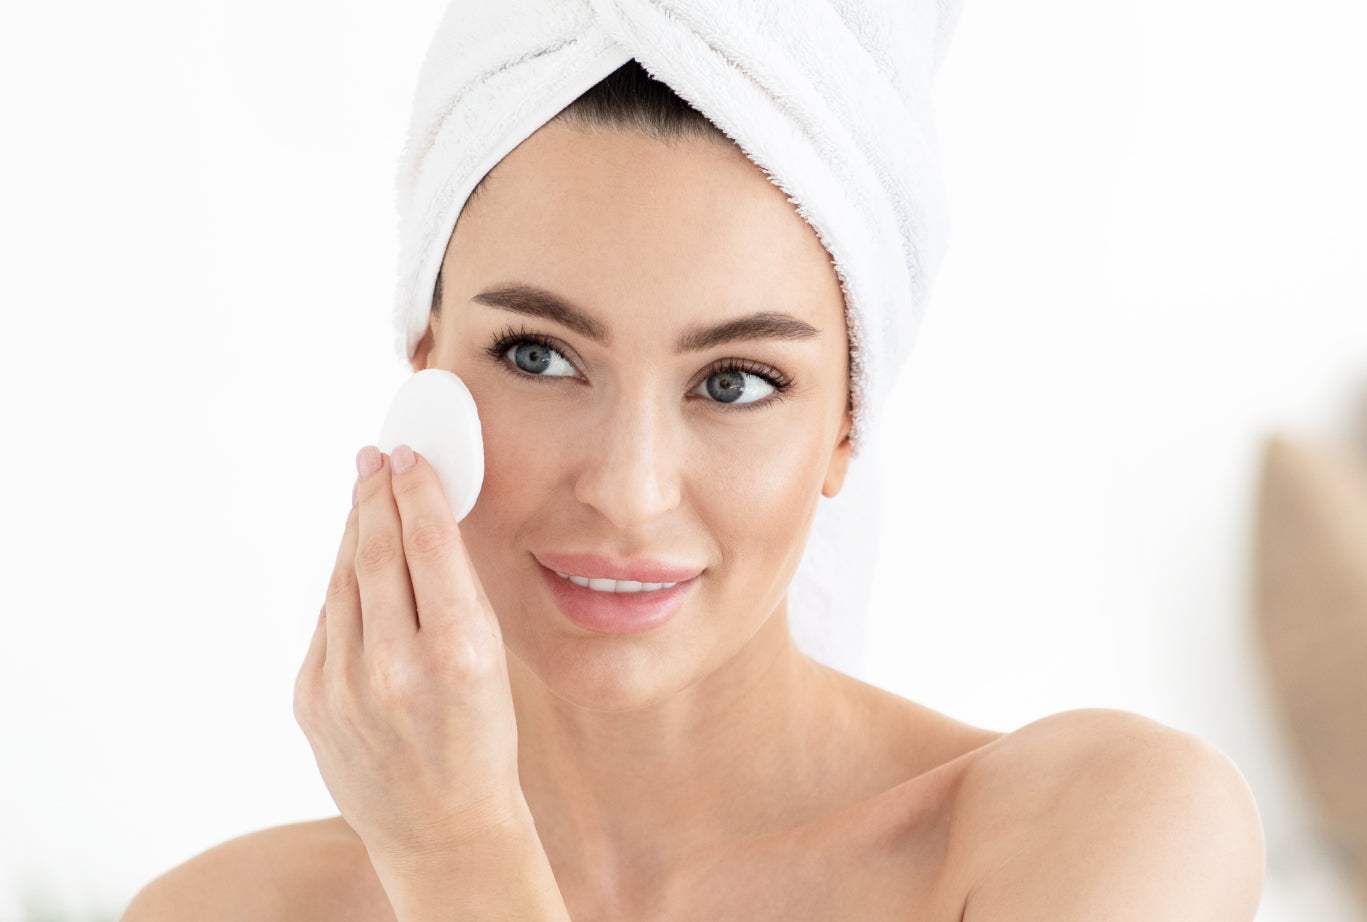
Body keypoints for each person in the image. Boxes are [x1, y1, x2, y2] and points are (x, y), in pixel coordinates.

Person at [120, 42, 1265, 922]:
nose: (629, 490)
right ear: (425, 369)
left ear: (846, 426)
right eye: (539, 355)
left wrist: (462, 860)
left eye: (735, 381)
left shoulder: (1106, 834)